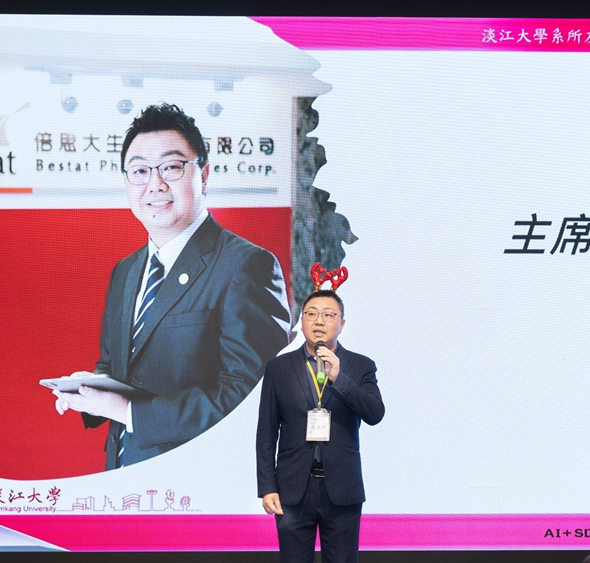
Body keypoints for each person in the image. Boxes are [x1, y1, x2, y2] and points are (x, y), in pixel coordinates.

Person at [53, 103, 291, 470]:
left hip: (201, 480)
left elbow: (252, 396)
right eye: (140, 171)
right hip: (124, 475)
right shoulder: (126, 271)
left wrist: (130, 412)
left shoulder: (246, 265)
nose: (155, 184)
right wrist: (92, 389)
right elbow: (116, 365)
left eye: (171, 167)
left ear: (204, 176)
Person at [256, 287, 384, 563]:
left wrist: (340, 378)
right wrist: (267, 486)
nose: (319, 321)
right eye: (311, 314)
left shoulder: (361, 366)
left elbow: (375, 413)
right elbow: (266, 432)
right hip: (291, 489)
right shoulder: (278, 368)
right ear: (301, 321)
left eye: (328, 315)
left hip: (342, 488)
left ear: (342, 324)